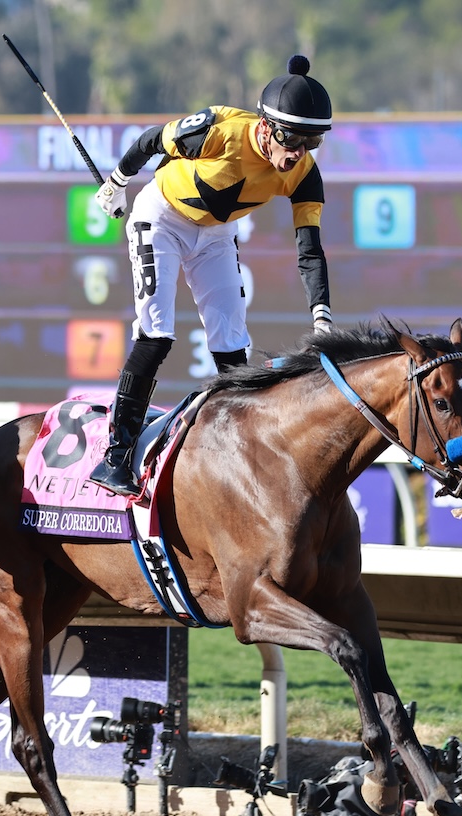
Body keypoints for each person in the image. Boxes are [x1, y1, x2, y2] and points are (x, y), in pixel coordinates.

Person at [89, 54, 336, 498]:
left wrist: (322, 318)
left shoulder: (303, 174)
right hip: (161, 218)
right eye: (291, 138)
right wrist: (117, 181)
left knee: (231, 346)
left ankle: (238, 454)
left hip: (217, 234)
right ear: (265, 126)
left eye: (311, 142)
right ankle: (116, 456)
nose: (298, 153)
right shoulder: (218, 129)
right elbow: (150, 141)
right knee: (157, 334)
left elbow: (310, 250)